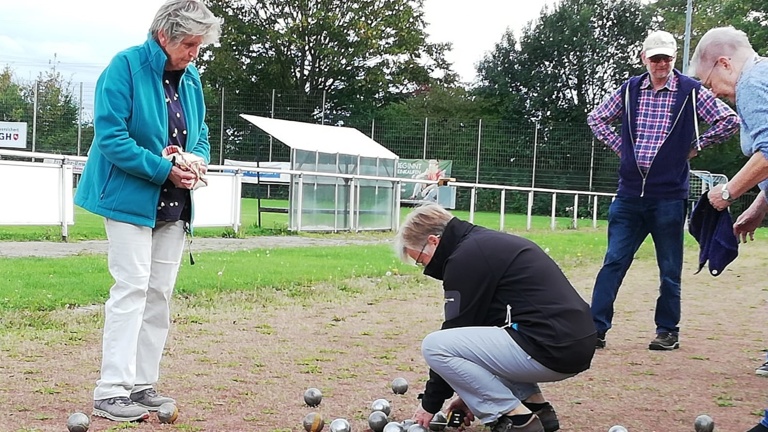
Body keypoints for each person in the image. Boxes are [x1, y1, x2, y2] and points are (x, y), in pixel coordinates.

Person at [73, 0, 221, 422]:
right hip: (127, 199)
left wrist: (195, 161)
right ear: (165, 35)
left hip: (173, 202)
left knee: (158, 295)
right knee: (131, 289)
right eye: (190, 44)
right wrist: (164, 169)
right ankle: (111, 390)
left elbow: (203, 133)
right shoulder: (125, 67)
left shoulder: (191, 78)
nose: (195, 53)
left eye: (199, 45)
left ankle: (142, 384)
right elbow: (112, 137)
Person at [586, 30, 739, 350]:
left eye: (666, 58)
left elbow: (728, 121)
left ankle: (667, 331)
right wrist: (623, 149)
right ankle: (594, 328)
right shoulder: (629, 90)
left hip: (669, 197)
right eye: (655, 58)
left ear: (673, 58)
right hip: (629, 195)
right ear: (644, 58)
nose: (660, 64)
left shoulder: (691, 90)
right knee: (614, 261)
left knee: (669, 268)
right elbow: (597, 118)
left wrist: (696, 145)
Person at [394, 203, 596, 432]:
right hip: (574, 343)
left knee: (435, 346)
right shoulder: (484, 244)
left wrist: (429, 405)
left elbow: (454, 331)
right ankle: (537, 408)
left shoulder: (464, 258)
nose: (425, 268)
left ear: (433, 241)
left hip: (554, 347)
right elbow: (482, 333)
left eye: (421, 260)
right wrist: (471, 394)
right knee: (487, 336)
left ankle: (514, 420)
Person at [689, 26, 768, 432]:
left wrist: (728, 192)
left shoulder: (753, 81)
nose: (713, 94)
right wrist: (760, 204)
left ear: (724, 63)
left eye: (710, 84)